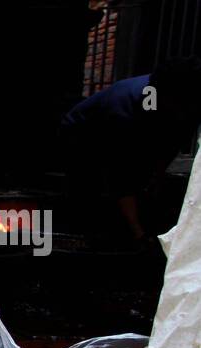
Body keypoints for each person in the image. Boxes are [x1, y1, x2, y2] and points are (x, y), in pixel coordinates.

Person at [60, 58, 201, 246]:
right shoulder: (125, 109)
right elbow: (120, 173)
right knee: (91, 183)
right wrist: (139, 234)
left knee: (140, 176)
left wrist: (158, 174)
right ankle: (90, 230)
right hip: (83, 132)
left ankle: (130, 221)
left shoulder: (183, 103)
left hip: (135, 126)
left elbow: (172, 141)